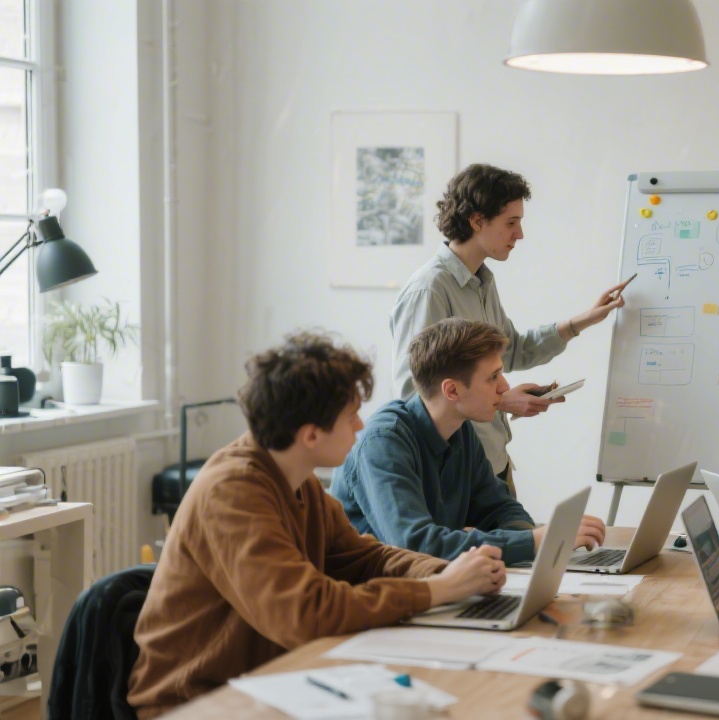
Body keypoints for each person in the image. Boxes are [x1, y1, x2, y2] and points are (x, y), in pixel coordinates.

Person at [128, 333, 506, 717]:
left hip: (274, 681)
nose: (361, 425)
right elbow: (305, 612)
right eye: (350, 415)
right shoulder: (230, 492)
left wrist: (452, 573)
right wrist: (435, 591)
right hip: (198, 703)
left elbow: (365, 558)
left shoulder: (298, 478)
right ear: (310, 435)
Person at [390, 163, 628, 497]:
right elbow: (414, 395)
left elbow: (511, 349)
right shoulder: (429, 290)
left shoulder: (482, 281)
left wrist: (580, 322)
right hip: (454, 475)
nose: (520, 234)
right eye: (511, 223)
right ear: (477, 221)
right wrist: (502, 401)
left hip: (493, 465)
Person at [331, 318, 605, 564]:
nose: (505, 387)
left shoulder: (460, 429)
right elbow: (415, 545)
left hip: (432, 587)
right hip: (374, 602)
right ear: (452, 390)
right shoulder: (384, 442)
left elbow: (501, 508)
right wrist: (534, 542)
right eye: (493, 377)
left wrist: (526, 539)